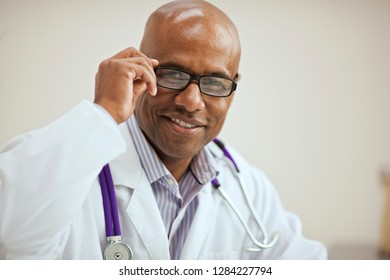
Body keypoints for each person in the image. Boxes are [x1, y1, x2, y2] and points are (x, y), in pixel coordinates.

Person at [0, 0, 327, 259]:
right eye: (172, 74)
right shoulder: (72, 166)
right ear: (139, 70)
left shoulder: (247, 187)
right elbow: (11, 232)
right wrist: (103, 112)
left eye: (214, 82)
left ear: (233, 87)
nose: (191, 101)